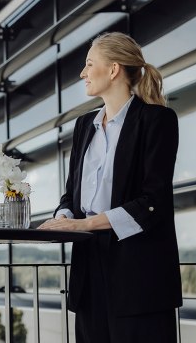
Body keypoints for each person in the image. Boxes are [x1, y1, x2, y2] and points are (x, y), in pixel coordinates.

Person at [39, 32, 182, 342]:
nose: (83, 73)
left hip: (139, 275)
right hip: (88, 268)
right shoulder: (84, 126)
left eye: (90, 64)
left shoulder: (158, 120)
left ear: (114, 69)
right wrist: (64, 218)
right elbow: (71, 195)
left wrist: (84, 224)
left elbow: (153, 202)